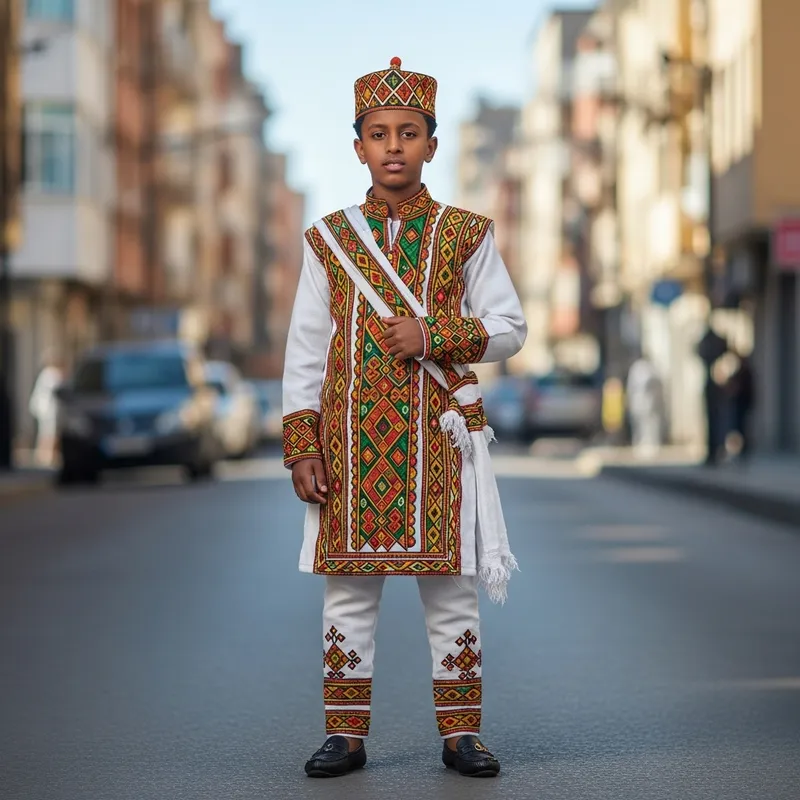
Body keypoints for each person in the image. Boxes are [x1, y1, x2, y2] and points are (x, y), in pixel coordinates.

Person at [282, 57, 527, 779]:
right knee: (348, 598)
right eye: (379, 133)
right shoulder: (328, 242)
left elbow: (510, 327)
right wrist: (303, 445)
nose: (394, 145)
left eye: (409, 132)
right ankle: (345, 736)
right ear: (357, 145)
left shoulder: (466, 234)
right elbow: (303, 352)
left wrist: (437, 335)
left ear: (431, 144)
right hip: (349, 448)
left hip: (440, 445)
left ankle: (461, 735)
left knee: (451, 591)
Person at [28, 349, 64, 467]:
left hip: (44, 410)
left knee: (46, 433)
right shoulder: (52, 374)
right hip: (49, 410)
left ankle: (45, 456)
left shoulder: (45, 373)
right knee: (49, 434)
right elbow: (59, 390)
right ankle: (46, 457)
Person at [626, 355, 664, 457]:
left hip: (648, 402)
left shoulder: (648, 368)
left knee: (650, 424)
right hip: (640, 401)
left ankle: (651, 445)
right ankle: (641, 444)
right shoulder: (638, 368)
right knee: (640, 424)